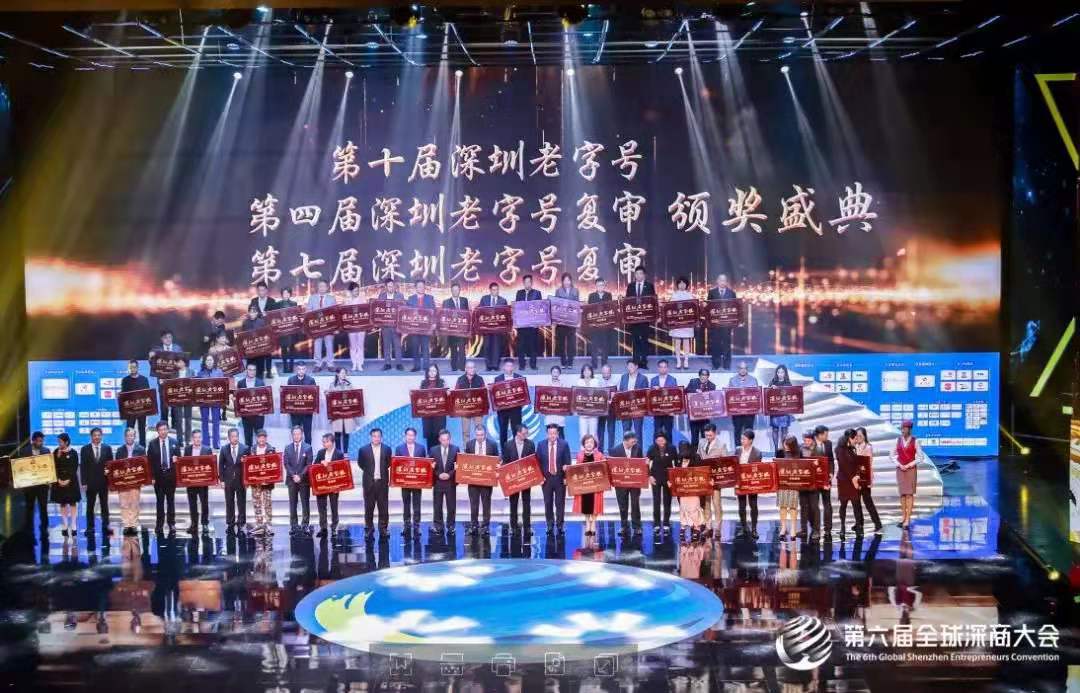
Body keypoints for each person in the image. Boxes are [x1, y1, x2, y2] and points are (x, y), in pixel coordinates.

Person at [79, 426, 114, 537]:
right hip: (90, 483)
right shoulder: (85, 449)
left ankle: (106, 526)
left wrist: (110, 481)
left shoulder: (107, 448)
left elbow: (111, 465)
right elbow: (83, 467)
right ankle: (90, 527)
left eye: (99, 435)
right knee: (90, 506)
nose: (97, 437)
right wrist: (84, 482)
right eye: (95, 435)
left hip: (103, 482)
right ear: (91, 436)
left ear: (101, 436)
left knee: (104, 506)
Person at [889, 420, 924, 531]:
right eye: (902, 428)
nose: (903, 430)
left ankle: (908, 519)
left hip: (911, 469)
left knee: (909, 494)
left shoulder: (915, 441)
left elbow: (920, 457)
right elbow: (891, 455)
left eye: (905, 428)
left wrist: (909, 465)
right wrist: (899, 464)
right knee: (902, 494)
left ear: (909, 429)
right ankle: (903, 517)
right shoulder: (897, 440)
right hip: (900, 469)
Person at [464, 424, 498, 536]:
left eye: (482, 435)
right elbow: (466, 461)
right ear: (475, 434)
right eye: (478, 435)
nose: (480, 437)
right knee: (473, 504)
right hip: (473, 480)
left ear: (485, 434)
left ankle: (486, 526)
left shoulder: (492, 444)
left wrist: (497, 466)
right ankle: (474, 525)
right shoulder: (469, 444)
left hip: (486, 480)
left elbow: (497, 459)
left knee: (486, 504)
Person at [502, 424, 536, 535]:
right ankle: (513, 526)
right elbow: (505, 462)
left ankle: (527, 527)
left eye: (527, 433)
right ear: (518, 433)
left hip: (526, 478)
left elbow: (533, 461)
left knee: (527, 503)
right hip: (513, 480)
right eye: (524, 433)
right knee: (513, 503)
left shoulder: (530, 444)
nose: (526, 435)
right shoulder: (508, 445)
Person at [536, 423, 570, 535]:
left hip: (559, 479)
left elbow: (567, 462)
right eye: (550, 433)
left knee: (560, 503)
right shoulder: (541, 445)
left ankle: (560, 525)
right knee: (548, 502)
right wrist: (540, 477)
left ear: (558, 433)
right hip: (546, 480)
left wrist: (566, 477)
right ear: (547, 434)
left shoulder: (564, 444)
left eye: (554, 433)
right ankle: (549, 525)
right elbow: (537, 463)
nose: (552, 435)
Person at [358, 428, 392, 539]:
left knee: (383, 507)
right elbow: (361, 464)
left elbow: (388, 463)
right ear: (370, 437)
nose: (376, 438)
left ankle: (383, 529)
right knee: (369, 508)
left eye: (378, 436)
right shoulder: (363, 450)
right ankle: (369, 529)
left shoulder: (387, 449)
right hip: (369, 483)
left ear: (381, 437)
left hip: (382, 482)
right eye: (374, 436)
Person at [147, 420, 179, 534]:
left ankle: (172, 524)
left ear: (168, 430)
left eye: (165, 429)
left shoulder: (174, 442)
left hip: (171, 476)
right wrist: (152, 477)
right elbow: (149, 462)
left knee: (171, 501)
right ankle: (159, 524)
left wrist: (176, 460)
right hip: (158, 477)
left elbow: (179, 460)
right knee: (159, 502)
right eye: (161, 430)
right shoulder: (152, 444)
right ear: (157, 431)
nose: (163, 431)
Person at [609, 430, 643, 535]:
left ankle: (637, 526)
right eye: (632, 442)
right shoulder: (615, 450)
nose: (634, 443)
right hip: (621, 483)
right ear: (625, 441)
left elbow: (641, 464)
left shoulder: (637, 448)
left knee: (635, 504)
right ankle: (624, 526)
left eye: (635, 441)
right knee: (623, 505)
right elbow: (611, 467)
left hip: (634, 482)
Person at [697, 422, 728, 535]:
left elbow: (726, 462)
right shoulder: (701, 442)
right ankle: (708, 526)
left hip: (716, 479)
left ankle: (718, 526)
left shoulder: (721, 445)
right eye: (706, 435)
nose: (708, 437)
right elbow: (698, 456)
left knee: (716, 503)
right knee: (706, 503)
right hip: (704, 477)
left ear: (715, 433)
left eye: (710, 435)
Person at [19, 431, 51, 539]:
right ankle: (29, 528)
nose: (41, 443)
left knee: (43, 507)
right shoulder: (24, 451)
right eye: (39, 441)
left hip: (42, 486)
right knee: (29, 508)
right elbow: (20, 468)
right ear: (33, 441)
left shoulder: (46, 451)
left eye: (42, 441)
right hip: (29, 486)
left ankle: (45, 528)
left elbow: (49, 467)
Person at [395, 427, 426, 537]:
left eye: (412, 435)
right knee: (406, 504)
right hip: (405, 481)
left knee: (417, 504)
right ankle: (406, 525)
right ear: (405, 436)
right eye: (408, 435)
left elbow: (424, 464)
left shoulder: (421, 448)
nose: (410, 437)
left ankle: (417, 526)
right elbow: (396, 464)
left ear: (415, 436)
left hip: (417, 482)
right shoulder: (399, 448)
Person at [113, 428, 144, 536]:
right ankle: (126, 525)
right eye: (128, 435)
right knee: (124, 503)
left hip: (135, 481)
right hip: (123, 482)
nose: (129, 437)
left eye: (131, 435)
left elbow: (144, 465)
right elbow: (116, 466)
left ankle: (133, 525)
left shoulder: (141, 449)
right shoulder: (120, 450)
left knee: (134, 503)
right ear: (125, 437)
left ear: (134, 437)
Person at [836, 428, 867, 536]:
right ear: (850, 438)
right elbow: (844, 466)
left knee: (856, 504)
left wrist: (857, 476)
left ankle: (859, 527)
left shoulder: (853, 449)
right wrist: (853, 479)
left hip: (854, 480)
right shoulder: (839, 449)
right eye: (855, 438)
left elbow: (857, 464)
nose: (856, 440)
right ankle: (842, 527)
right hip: (844, 481)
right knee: (843, 505)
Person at [573, 433, 605, 537]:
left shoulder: (599, 455)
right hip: (584, 485)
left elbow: (604, 469)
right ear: (584, 444)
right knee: (586, 504)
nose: (589, 444)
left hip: (596, 485)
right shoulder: (579, 455)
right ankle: (587, 522)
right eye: (587, 442)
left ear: (594, 444)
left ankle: (593, 523)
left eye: (591, 442)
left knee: (595, 504)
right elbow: (576, 470)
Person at [218, 427, 249, 534]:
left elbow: (248, 465)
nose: (235, 438)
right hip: (228, 480)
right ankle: (230, 523)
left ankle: (241, 523)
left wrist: (247, 480)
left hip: (241, 480)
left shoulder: (245, 448)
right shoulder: (224, 449)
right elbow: (221, 465)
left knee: (241, 502)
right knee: (229, 502)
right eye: (232, 436)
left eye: (236, 436)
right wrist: (222, 480)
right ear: (229, 437)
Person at [182, 428, 213, 535]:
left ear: (201, 438)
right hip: (190, 482)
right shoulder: (187, 449)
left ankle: (205, 524)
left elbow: (210, 466)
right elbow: (184, 464)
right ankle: (194, 524)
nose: (197, 439)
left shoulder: (207, 449)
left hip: (203, 482)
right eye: (195, 437)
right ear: (192, 439)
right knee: (192, 504)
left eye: (199, 437)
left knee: (204, 503)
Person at [284, 425, 313, 535]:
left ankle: (305, 524)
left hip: (304, 480)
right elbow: (286, 464)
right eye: (294, 434)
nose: (296, 436)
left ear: (302, 434)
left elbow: (309, 464)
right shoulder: (287, 448)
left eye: (298, 434)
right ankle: (294, 525)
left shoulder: (308, 447)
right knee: (293, 503)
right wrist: (294, 475)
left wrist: (300, 476)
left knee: (305, 503)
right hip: (291, 480)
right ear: (292, 435)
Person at [625, 265, 656, 368]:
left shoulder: (649, 286)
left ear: (644, 275)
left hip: (645, 319)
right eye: (637, 273)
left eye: (640, 273)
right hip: (634, 319)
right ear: (635, 275)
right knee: (635, 340)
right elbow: (627, 301)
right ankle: (636, 360)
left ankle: (643, 361)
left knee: (644, 340)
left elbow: (653, 301)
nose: (638, 275)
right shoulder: (630, 286)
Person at [312, 432, 343, 537]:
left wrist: (328, 465)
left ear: (332, 442)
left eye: (326, 442)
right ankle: (323, 528)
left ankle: (334, 527)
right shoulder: (321, 453)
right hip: (322, 484)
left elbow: (342, 469)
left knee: (334, 506)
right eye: (323, 442)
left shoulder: (339, 454)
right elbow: (314, 466)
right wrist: (321, 463)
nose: (324, 444)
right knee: (321, 506)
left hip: (334, 485)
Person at [51, 433, 81, 538]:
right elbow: (53, 467)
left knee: (72, 502)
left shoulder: (73, 452)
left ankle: (73, 525)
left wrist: (68, 480)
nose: (59, 443)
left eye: (60, 441)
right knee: (62, 503)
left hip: (71, 481)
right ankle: (64, 525)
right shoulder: (56, 452)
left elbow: (74, 467)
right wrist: (59, 479)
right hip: (59, 481)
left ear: (66, 442)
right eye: (58, 442)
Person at [853, 426, 883, 533]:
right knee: (856, 502)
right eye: (857, 436)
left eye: (860, 436)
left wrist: (869, 480)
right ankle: (859, 523)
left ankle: (877, 524)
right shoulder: (854, 447)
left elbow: (869, 464)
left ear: (864, 436)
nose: (858, 438)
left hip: (865, 478)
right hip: (856, 479)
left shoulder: (868, 447)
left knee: (867, 501)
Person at [808, 424, 835, 537]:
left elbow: (831, 460)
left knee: (827, 504)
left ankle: (828, 529)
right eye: (825, 435)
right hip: (814, 480)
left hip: (826, 479)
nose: (827, 437)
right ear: (819, 435)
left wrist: (831, 472)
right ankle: (816, 530)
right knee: (814, 505)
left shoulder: (828, 444)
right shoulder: (810, 444)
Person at [647, 429, 676, 536]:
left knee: (667, 501)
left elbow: (676, 463)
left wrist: (672, 479)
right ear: (655, 441)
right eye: (658, 441)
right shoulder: (652, 448)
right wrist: (649, 476)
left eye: (662, 440)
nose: (660, 442)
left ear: (666, 440)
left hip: (668, 479)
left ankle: (666, 523)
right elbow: (646, 463)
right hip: (655, 478)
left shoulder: (672, 448)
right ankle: (656, 524)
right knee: (656, 501)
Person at [248, 429, 277, 536]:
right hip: (255, 483)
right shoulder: (252, 449)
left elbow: (275, 466)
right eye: (260, 437)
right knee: (257, 503)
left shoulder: (271, 450)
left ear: (266, 438)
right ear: (257, 438)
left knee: (267, 503)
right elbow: (249, 465)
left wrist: (269, 478)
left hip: (267, 483)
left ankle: (268, 525)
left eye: (263, 437)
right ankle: (259, 525)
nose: (261, 439)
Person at [674, 441, 705, 541]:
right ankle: (683, 526)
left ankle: (697, 527)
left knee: (694, 508)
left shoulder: (696, 458)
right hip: (683, 490)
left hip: (694, 489)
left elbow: (701, 473)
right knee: (684, 508)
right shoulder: (678, 459)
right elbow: (675, 473)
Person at [735, 428, 763, 539]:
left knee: (753, 505)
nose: (742, 441)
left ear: (750, 440)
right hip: (740, 482)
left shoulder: (757, 453)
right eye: (741, 438)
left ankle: (754, 529)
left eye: (744, 439)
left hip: (752, 483)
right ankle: (744, 527)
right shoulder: (738, 450)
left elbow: (758, 469)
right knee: (741, 506)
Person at [306, 279, 338, 372]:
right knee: (317, 345)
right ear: (317, 287)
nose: (322, 288)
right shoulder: (312, 298)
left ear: (327, 288)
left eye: (324, 286)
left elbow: (335, 312)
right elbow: (308, 311)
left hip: (329, 326)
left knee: (329, 345)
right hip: (316, 326)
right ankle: (318, 364)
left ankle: (330, 364)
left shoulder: (331, 299)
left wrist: (335, 327)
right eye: (320, 286)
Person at [431, 429, 458, 535]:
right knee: (437, 505)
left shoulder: (455, 449)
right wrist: (438, 474)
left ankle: (451, 526)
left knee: (451, 506)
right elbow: (430, 466)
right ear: (439, 439)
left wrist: (449, 474)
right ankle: (438, 526)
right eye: (443, 440)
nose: (445, 442)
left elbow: (457, 466)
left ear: (450, 439)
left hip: (450, 482)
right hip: (438, 482)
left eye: (447, 439)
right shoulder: (433, 450)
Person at [706, 273, 736, 370]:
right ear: (717, 281)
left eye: (724, 280)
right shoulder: (712, 292)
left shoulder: (731, 293)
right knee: (715, 344)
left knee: (727, 345)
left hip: (727, 324)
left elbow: (735, 308)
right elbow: (708, 308)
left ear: (726, 282)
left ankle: (727, 365)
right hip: (715, 324)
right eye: (720, 280)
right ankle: (716, 364)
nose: (722, 282)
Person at [407, 279, 436, 372]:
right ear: (416, 288)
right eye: (419, 286)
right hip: (414, 327)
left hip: (426, 328)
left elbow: (434, 311)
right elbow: (407, 312)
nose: (421, 288)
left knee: (425, 347)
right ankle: (416, 366)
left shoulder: (430, 298)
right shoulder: (410, 299)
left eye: (423, 286)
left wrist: (434, 323)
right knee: (415, 347)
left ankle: (426, 366)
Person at [494, 358, 525, 445]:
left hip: (515, 409)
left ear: (513, 367)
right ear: (503, 367)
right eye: (507, 366)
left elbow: (523, 393)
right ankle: (504, 451)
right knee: (503, 431)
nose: (509, 368)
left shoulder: (519, 378)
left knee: (517, 431)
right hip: (502, 410)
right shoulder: (498, 379)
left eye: (511, 366)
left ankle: (517, 450)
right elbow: (495, 394)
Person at [514, 274, 542, 371]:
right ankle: (522, 365)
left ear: (531, 283)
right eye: (526, 282)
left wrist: (537, 321)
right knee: (521, 345)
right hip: (522, 325)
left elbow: (540, 307)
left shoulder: (537, 293)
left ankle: (533, 365)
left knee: (533, 345)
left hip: (532, 325)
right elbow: (517, 307)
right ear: (523, 283)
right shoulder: (519, 293)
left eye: (529, 282)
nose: (527, 284)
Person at [777, 436, 802, 541]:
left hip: (793, 482)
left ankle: (793, 528)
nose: (785, 446)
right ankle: (783, 528)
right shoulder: (780, 452)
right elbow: (775, 465)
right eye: (784, 443)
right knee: (782, 506)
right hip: (782, 482)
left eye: (787, 444)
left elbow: (802, 467)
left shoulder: (798, 453)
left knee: (792, 506)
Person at [196, 353, 224, 449]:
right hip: (204, 402)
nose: (209, 362)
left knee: (216, 422)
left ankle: (216, 443)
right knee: (204, 422)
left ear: (214, 361)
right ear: (204, 362)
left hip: (216, 401)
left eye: (211, 360)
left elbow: (222, 387)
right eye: (207, 360)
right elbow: (197, 388)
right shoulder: (200, 373)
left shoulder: (219, 372)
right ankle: (206, 443)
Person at [728, 360, 759, 444]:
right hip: (737, 412)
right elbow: (729, 396)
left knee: (749, 431)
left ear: (747, 369)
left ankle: (748, 449)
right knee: (737, 430)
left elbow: (757, 395)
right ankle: (738, 449)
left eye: (745, 368)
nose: (743, 370)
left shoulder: (753, 380)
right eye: (741, 368)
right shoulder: (732, 380)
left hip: (749, 411)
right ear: (738, 369)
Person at [586, 277, 615, 369]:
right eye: (598, 285)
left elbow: (610, 308)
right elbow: (589, 309)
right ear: (596, 286)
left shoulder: (608, 295)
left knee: (605, 345)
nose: (600, 287)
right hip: (595, 325)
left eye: (602, 285)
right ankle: (594, 363)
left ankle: (604, 363)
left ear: (604, 286)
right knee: (594, 345)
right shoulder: (591, 296)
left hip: (605, 325)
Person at [120, 360, 150, 446]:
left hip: (142, 409)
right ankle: (129, 447)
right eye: (130, 367)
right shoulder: (125, 380)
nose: (132, 369)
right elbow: (123, 395)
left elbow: (148, 394)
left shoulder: (144, 379)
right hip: (130, 410)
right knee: (130, 429)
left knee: (142, 429)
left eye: (134, 367)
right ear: (128, 368)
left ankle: (143, 447)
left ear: (137, 368)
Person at [798, 430, 821, 540]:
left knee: (814, 507)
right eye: (805, 440)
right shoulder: (800, 449)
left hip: (814, 483)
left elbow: (822, 465)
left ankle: (816, 530)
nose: (806, 442)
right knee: (803, 507)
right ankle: (804, 530)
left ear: (812, 440)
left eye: (808, 440)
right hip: (803, 482)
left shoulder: (818, 450)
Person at [377, 278, 405, 371]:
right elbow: (378, 309)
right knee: (386, 345)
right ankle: (387, 364)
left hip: (396, 326)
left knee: (397, 345)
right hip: (385, 326)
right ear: (385, 287)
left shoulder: (400, 296)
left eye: (392, 286)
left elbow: (403, 309)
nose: (391, 288)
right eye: (389, 286)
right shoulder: (381, 296)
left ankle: (399, 364)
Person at [479, 283, 508, 371]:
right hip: (487, 328)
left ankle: (495, 365)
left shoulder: (503, 300)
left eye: (497, 290)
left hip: (497, 329)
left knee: (496, 347)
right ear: (490, 290)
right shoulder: (484, 299)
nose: (496, 291)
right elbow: (480, 311)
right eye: (494, 290)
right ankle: (488, 365)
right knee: (487, 346)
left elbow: (506, 314)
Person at [286, 362, 317, 444]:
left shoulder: (311, 380)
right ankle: (296, 451)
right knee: (296, 434)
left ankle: (308, 451)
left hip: (307, 413)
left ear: (305, 369)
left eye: (303, 369)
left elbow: (315, 395)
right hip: (295, 413)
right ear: (296, 369)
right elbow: (288, 395)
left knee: (308, 435)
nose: (301, 371)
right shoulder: (291, 380)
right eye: (299, 369)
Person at [454, 361, 485, 443]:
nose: (472, 369)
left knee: (479, 431)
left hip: (477, 410)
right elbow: (456, 394)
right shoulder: (460, 380)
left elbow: (484, 394)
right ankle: (466, 449)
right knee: (465, 432)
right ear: (465, 369)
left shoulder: (480, 379)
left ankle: (480, 448)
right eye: (469, 368)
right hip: (465, 410)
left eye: (473, 367)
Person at [330, 367, 359, 455]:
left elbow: (354, 397)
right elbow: (330, 399)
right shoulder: (333, 385)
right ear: (337, 374)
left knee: (346, 433)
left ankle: (346, 453)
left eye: (345, 373)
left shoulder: (349, 384)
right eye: (342, 373)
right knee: (337, 433)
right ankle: (338, 453)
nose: (343, 375)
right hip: (337, 413)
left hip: (347, 413)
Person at [236, 363, 266, 447]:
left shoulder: (261, 382)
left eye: (254, 370)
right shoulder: (240, 383)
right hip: (246, 416)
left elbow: (265, 399)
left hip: (259, 416)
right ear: (246, 371)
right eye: (250, 370)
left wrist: (263, 411)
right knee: (248, 438)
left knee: (260, 438)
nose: (252, 372)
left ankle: (259, 453)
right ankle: (248, 454)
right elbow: (238, 399)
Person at [668, 277, 695, 370]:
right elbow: (670, 308)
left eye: (684, 283)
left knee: (686, 342)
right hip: (677, 323)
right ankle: (678, 361)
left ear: (686, 285)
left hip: (687, 322)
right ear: (677, 285)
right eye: (680, 283)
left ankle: (686, 360)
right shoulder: (674, 295)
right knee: (677, 342)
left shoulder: (689, 295)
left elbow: (693, 307)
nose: (682, 285)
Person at [418, 364, 447, 451]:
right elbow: (419, 397)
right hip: (427, 415)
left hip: (439, 415)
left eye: (434, 370)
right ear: (427, 372)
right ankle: (430, 456)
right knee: (429, 437)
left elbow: (446, 397)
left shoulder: (442, 382)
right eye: (430, 370)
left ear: (437, 372)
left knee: (439, 435)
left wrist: (448, 392)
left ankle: (440, 456)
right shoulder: (423, 383)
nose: (432, 372)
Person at [553, 273, 579, 368]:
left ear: (571, 281)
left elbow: (577, 304)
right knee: (561, 343)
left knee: (571, 343)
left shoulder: (575, 291)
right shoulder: (558, 291)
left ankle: (570, 362)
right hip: (561, 322)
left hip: (571, 321)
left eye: (568, 280)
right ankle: (563, 362)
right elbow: (556, 305)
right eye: (565, 280)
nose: (567, 282)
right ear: (562, 281)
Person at [618, 360, 649, 442]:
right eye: (628, 366)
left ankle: (638, 450)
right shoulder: (624, 377)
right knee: (626, 431)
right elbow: (621, 391)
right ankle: (626, 449)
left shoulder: (643, 378)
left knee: (638, 432)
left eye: (631, 366)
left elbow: (646, 394)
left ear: (636, 366)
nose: (630, 368)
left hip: (638, 409)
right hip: (626, 409)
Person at [165, 360, 194, 447]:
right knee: (179, 420)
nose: (178, 364)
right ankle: (179, 440)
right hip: (178, 399)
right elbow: (171, 386)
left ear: (184, 362)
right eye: (177, 362)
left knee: (188, 420)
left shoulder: (191, 371)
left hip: (188, 399)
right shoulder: (174, 373)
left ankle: (188, 440)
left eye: (180, 362)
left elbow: (194, 384)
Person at [685, 368, 716, 447]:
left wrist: (703, 393)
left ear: (708, 376)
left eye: (705, 375)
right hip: (694, 416)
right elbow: (686, 391)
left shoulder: (712, 386)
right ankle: (694, 454)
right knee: (694, 438)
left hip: (705, 417)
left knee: (705, 438)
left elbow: (712, 399)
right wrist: (695, 392)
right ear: (699, 375)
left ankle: (705, 454)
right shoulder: (693, 382)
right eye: (702, 375)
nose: (703, 377)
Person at [442, 281, 469, 372]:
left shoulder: (464, 300)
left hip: (462, 331)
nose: (455, 292)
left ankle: (462, 368)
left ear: (459, 290)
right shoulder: (446, 302)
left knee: (462, 350)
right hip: (452, 331)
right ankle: (454, 368)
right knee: (453, 350)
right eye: (454, 290)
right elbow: (444, 316)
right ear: (451, 291)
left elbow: (467, 314)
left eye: (457, 290)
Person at [768, 365, 794, 454]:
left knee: (784, 431)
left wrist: (779, 389)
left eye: (782, 372)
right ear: (776, 373)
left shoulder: (788, 383)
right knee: (775, 430)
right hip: (774, 410)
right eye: (778, 372)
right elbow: (767, 395)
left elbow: (791, 396)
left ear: (785, 373)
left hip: (785, 411)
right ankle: (776, 450)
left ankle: (783, 450)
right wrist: (771, 389)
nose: (780, 374)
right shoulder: (772, 382)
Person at [650, 359, 677, 443]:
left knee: (668, 433)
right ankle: (655, 450)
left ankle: (670, 450)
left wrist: (673, 410)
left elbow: (675, 396)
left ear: (667, 368)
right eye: (661, 367)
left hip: (669, 411)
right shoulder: (653, 380)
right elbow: (650, 396)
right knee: (656, 433)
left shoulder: (673, 379)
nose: (663, 369)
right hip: (657, 411)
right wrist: (653, 390)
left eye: (665, 367)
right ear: (658, 368)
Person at [241, 304, 271, 380]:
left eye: (254, 312)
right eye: (251, 312)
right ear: (248, 313)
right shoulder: (245, 323)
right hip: (250, 350)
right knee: (250, 367)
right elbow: (242, 336)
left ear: (257, 313)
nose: (252, 314)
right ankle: (250, 382)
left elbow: (266, 334)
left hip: (260, 349)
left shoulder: (262, 322)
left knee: (260, 368)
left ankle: (260, 382)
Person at [344, 281, 367, 373]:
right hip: (351, 327)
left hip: (361, 326)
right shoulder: (347, 302)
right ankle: (354, 363)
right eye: (354, 291)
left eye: (357, 291)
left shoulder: (363, 300)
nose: (356, 293)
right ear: (350, 291)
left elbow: (366, 313)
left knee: (360, 345)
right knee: (353, 346)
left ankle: (360, 363)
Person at [277, 287, 299, 374]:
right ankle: (285, 367)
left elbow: (296, 315)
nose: (286, 295)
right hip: (282, 331)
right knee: (284, 349)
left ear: (290, 294)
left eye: (287, 293)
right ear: (282, 294)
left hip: (292, 330)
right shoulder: (277, 304)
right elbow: (274, 317)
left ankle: (291, 366)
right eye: (284, 293)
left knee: (292, 349)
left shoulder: (294, 303)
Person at [596, 363, 617, 452]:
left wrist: (613, 399)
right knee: (600, 432)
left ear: (610, 372)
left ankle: (611, 451)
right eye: (604, 372)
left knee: (611, 431)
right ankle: (600, 451)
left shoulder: (615, 382)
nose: (605, 374)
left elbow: (618, 396)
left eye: (607, 372)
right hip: (601, 411)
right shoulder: (597, 382)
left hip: (612, 411)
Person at [576, 364, 599, 439]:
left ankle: (593, 447)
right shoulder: (579, 382)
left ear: (591, 371)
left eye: (588, 370)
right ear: (582, 372)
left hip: (593, 412)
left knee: (593, 435)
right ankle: (583, 447)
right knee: (583, 435)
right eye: (585, 370)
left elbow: (599, 395)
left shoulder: (596, 381)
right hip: (582, 413)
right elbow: (577, 396)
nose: (587, 372)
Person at [545, 366, 567, 439]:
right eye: (554, 372)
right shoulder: (546, 385)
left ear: (559, 374)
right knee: (550, 435)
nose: (555, 374)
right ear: (551, 373)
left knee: (561, 436)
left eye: (557, 372)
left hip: (559, 414)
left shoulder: (564, 385)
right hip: (549, 414)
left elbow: (566, 400)